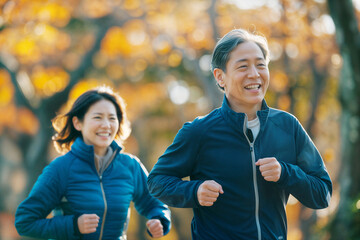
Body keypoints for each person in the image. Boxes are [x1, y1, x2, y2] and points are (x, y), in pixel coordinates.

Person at [147, 29, 332, 240]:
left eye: (261, 65)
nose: (254, 74)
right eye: (243, 66)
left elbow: (322, 194)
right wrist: (194, 191)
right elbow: (157, 181)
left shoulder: (287, 126)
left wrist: (286, 173)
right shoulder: (199, 132)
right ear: (220, 77)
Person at [15, 86, 171, 240]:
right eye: (98, 117)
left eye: (112, 118)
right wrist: (74, 225)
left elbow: (155, 202)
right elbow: (25, 222)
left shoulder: (130, 166)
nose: (106, 125)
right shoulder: (60, 169)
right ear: (77, 123)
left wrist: (160, 220)